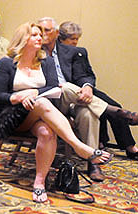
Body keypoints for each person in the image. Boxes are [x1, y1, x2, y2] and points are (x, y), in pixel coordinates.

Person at [0, 22, 112, 203]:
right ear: (23, 38)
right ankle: (78, 146)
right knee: (41, 102)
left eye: (40, 35)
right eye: (34, 35)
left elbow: (52, 86)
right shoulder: (7, 63)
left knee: (47, 132)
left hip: (39, 112)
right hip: (13, 115)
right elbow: (0, 95)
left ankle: (39, 183)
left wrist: (33, 94)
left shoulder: (45, 61)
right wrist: (18, 97)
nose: (39, 38)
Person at [39, 17, 138, 181]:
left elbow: (85, 75)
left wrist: (87, 87)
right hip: (49, 102)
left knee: (87, 113)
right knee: (65, 87)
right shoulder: (35, 51)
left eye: (47, 30)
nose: (42, 34)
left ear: (56, 33)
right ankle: (116, 113)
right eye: (39, 30)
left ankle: (93, 163)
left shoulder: (72, 51)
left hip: (74, 100)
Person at [58, 21, 138, 160]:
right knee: (100, 109)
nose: (75, 42)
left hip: (84, 88)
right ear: (61, 38)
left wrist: (87, 86)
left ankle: (129, 146)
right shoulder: (54, 52)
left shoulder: (79, 52)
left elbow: (88, 74)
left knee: (113, 106)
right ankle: (102, 143)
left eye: (77, 39)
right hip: (67, 93)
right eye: (72, 39)